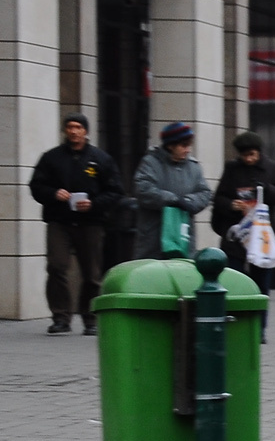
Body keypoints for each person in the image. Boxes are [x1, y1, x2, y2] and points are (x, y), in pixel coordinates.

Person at [28, 114, 123, 335]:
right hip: (59, 221)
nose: (73, 131)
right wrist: (53, 193)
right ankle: (61, 317)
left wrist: (94, 204)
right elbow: (36, 186)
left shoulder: (100, 159)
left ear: (85, 131)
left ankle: (90, 319)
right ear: (65, 131)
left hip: (90, 222)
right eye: (69, 127)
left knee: (91, 273)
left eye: (78, 127)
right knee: (56, 267)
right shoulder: (51, 158)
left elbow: (116, 191)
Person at [212, 130, 275, 300]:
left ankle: (260, 325)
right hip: (236, 235)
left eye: (252, 155)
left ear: (259, 152)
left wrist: (267, 188)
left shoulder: (272, 168)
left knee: (261, 285)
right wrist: (231, 204)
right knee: (233, 281)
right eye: (244, 155)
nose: (248, 159)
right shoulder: (232, 169)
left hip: (262, 237)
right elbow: (219, 197)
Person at [134, 121, 212, 259]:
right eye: (183, 146)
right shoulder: (150, 163)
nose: (187, 150)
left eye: (189, 146)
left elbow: (205, 193)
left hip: (183, 238)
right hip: (154, 238)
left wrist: (189, 201)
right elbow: (143, 189)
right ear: (170, 146)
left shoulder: (193, 167)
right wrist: (172, 200)